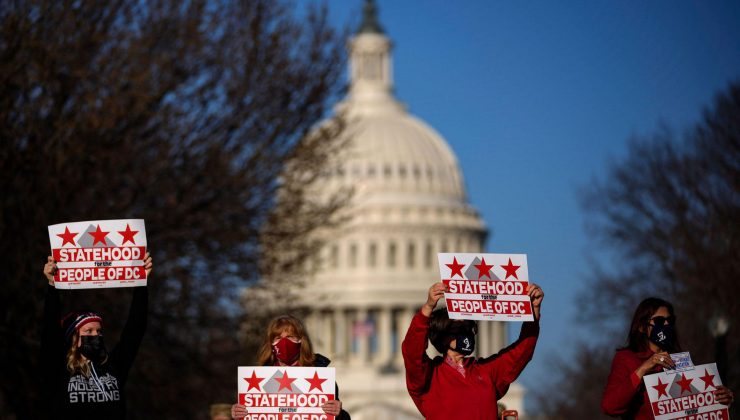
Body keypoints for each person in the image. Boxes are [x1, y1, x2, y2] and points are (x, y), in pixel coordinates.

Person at [402, 281, 544, 419]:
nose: (466, 335)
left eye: (468, 329)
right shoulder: (429, 378)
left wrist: (533, 312)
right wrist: (427, 308)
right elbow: (412, 352)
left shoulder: (486, 372)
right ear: (443, 337)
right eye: (458, 330)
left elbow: (521, 353)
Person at [41, 253, 153, 419]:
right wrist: (52, 284)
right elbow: (50, 331)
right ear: (74, 338)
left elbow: (134, 330)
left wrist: (141, 283)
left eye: (99, 331)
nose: (96, 335)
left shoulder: (113, 366)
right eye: (89, 331)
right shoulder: (60, 368)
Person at [601, 297, 734, 419]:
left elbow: (693, 409)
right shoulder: (627, 358)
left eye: (669, 321)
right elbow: (609, 406)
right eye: (659, 321)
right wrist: (642, 369)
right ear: (642, 327)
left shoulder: (680, 360)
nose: (665, 324)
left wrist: (719, 401)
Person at [231, 315, 350, 419]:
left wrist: (339, 415)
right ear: (270, 344)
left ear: (301, 341)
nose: (284, 343)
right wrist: (238, 415)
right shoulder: (257, 380)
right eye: (278, 338)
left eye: (290, 337)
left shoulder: (322, 377)